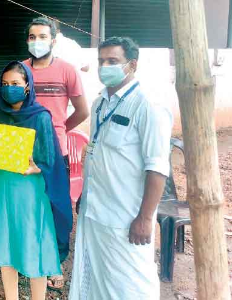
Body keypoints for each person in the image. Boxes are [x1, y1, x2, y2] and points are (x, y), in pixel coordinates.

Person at [68, 37, 173, 300]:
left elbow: (157, 168)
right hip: (95, 211)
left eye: (112, 61)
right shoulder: (99, 103)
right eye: (101, 61)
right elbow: (95, 152)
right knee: (96, 279)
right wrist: (84, 194)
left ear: (132, 64)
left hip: (125, 217)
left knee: (131, 284)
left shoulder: (148, 105)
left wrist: (145, 219)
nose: (105, 67)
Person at [0, 61, 72, 300]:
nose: (8, 88)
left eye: (15, 83)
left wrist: (36, 169)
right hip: (3, 186)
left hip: (32, 191)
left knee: (34, 245)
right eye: (4, 84)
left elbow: (51, 158)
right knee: (6, 243)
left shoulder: (40, 116)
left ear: (27, 86)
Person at [23, 16, 89, 290]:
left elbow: (82, 110)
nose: (36, 42)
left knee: (58, 210)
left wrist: (59, 129)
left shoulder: (67, 71)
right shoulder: (20, 70)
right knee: (29, 207)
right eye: (31, 37)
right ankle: (27, 258)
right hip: (24, 154)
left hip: (55, 154)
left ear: (53, 40)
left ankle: (55, 263)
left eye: (42, 36)